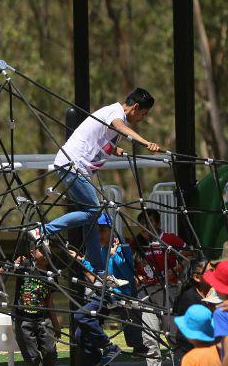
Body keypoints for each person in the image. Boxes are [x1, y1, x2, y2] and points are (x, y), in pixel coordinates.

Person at [37, 89, 161, 264]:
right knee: (94, 212)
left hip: (75, 166)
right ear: (135, 107)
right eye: (143, 113)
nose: (143, 118)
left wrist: (114, 149)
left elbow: (98, 137)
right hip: (72, 165)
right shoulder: (116, 113)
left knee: (91, 218)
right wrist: (146, 142)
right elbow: (119, 126)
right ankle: (44, 230)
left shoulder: (113, 115)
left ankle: (96, 265)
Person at [71, 214, 141, 366]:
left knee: (80, 315)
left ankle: (110, 347)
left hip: (118, 294)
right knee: (79, 335)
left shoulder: (122, 248)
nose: (99, 234)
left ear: (111, 230)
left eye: (102, 230)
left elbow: (129, 275)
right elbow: (95, 275)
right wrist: (81, 260)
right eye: (97, 231)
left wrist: (114, 255)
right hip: (104, 292)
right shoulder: (99, 250)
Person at [131, 209, 187, 366]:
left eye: (149, 224)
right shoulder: (136, 243)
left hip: (168, 291)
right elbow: (132, 265)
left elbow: (189, 255)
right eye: (142, 225)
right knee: (149, 337)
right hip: (146, 293)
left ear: (157, 224)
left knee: (173, 336)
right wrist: (137, 277)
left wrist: (174, 270)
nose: (145, 229)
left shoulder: (169, 240)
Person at [11, 246, 63, 366]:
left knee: (50, 352)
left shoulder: (51, 274)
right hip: (23, 320)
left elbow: (50, 302)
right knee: (32, 358)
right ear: (33, 252)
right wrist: (14, 265)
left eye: (49, 251)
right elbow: (2, 272)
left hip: (43, 319)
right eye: (43, 251)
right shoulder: (24, 266)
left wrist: (56, 325)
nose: (47, 254)